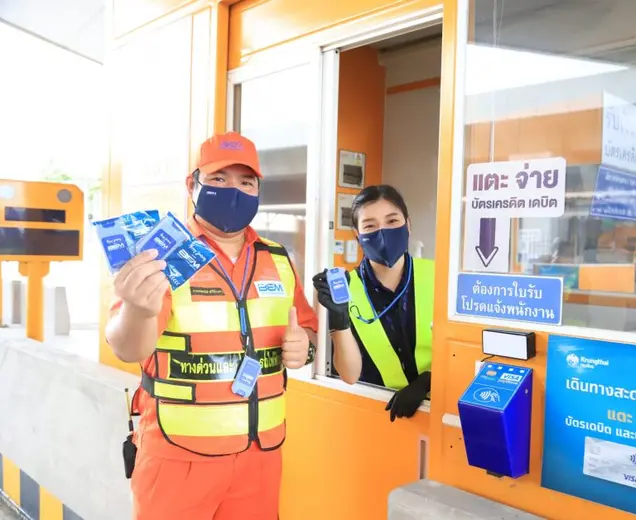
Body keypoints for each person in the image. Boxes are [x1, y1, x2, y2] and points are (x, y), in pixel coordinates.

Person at [105, 131, 318, 520]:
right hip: (177, 458)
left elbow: (307, 330)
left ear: (258, 190)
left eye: (246, 182)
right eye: (219, 178)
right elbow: (126, 347)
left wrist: (305, 345)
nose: (233, 190)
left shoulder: (277, 258)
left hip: (260, 457)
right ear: (193, 185)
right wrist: (137, 309)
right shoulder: (163, 253)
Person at [312, 185, 434, 422]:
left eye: (392, 221)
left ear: (408, 225)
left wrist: (428, 381)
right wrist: (339, 317)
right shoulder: (345, 289)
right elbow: (349, 374)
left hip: (438, 411)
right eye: (370, 226)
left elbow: (462, 351)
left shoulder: (439, 277)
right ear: (357, 235)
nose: (383, 232)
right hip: (378, 413)